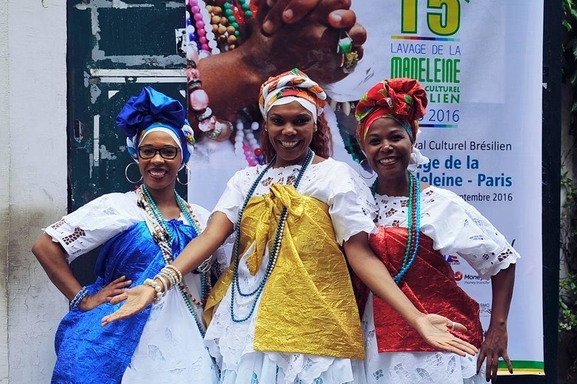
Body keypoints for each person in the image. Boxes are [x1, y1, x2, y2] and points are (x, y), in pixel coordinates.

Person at [102, 69, 478, 384]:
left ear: (315, 124)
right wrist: (155, 285)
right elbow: (211, 237)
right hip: (247, 327)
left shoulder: (335, 178)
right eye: (278, 120)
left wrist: (415, 317)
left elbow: (360, 255)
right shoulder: (245, 180)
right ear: (266, 123)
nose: (289, 130)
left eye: (300, 120)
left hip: (312, 329)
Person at [31, 87, 219, 383]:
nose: (157, 160)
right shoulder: (117, 207)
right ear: (137, 155)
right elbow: (46, 246)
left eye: (168, 152)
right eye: (148, 151)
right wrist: (84, 299)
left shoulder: (203, 218)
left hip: (190, 339)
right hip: (127, 338)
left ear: (182, 158)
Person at [353, 78, 519, 383]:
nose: (386, 147)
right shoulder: (353, 201)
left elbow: (502, 259)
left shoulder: (439, 203)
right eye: (375, 141)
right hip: (373, 346)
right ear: (364, 148)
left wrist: (498, 328)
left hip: (437, 347)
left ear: (412, 140)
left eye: (395, 137)